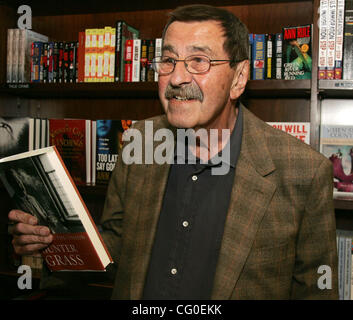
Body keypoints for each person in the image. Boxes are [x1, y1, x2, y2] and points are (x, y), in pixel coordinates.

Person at [8, 4, 338, 299]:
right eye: (168, 60)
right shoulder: (139, 140)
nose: (177, 78)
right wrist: (55, 244)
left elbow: (316, 290)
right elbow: (119, 245)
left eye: (199, 61)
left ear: (239, 79)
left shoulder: (304, 171)